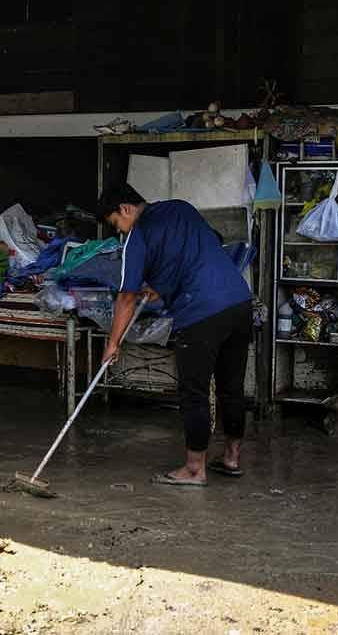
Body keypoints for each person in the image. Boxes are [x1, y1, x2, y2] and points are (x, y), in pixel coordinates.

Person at [99, 184, 252, 487]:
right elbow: (208, 245)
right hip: (239, 303)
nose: (120, 232)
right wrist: (165, 285)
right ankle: (232, 458)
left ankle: (195, 470)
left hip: (200, 312)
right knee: (231, 386)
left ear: (125, 209)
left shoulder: (137, 237)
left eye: (116, 224)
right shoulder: (180, 207)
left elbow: (126, 298)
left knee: (193, 392)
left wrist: (113, 343)